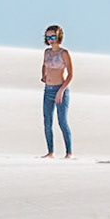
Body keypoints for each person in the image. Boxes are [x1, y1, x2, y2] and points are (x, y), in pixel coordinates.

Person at [40, 23, 73, 158]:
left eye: (53, 36)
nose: (50, 39)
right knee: (47, 121)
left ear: (59, 36)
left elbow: (71, 74)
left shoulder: (64, 53)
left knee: (62, 121)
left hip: (60, 91)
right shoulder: (47, 52)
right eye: (48, 37)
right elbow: (44, 65)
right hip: (48, 90)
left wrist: (61, 90)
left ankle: (69, 152)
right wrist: (43, 76)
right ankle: (50, 152)